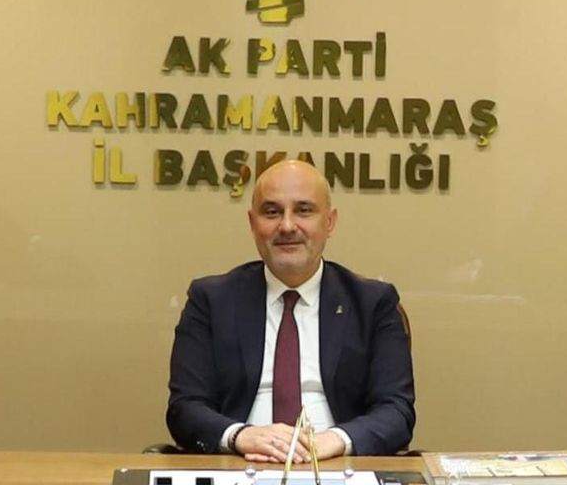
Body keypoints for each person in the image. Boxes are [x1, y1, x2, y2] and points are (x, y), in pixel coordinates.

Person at [166, 160, 415, 461]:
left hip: (337, 466)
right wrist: (240, 436)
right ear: (252, 223)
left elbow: (396, 411)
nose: (286, 226)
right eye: (272, 212)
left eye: (303, 210)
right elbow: (185, 408)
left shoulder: (372, 303)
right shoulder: (211, 300)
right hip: (240, 465)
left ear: (330, 222)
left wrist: (334, 440)